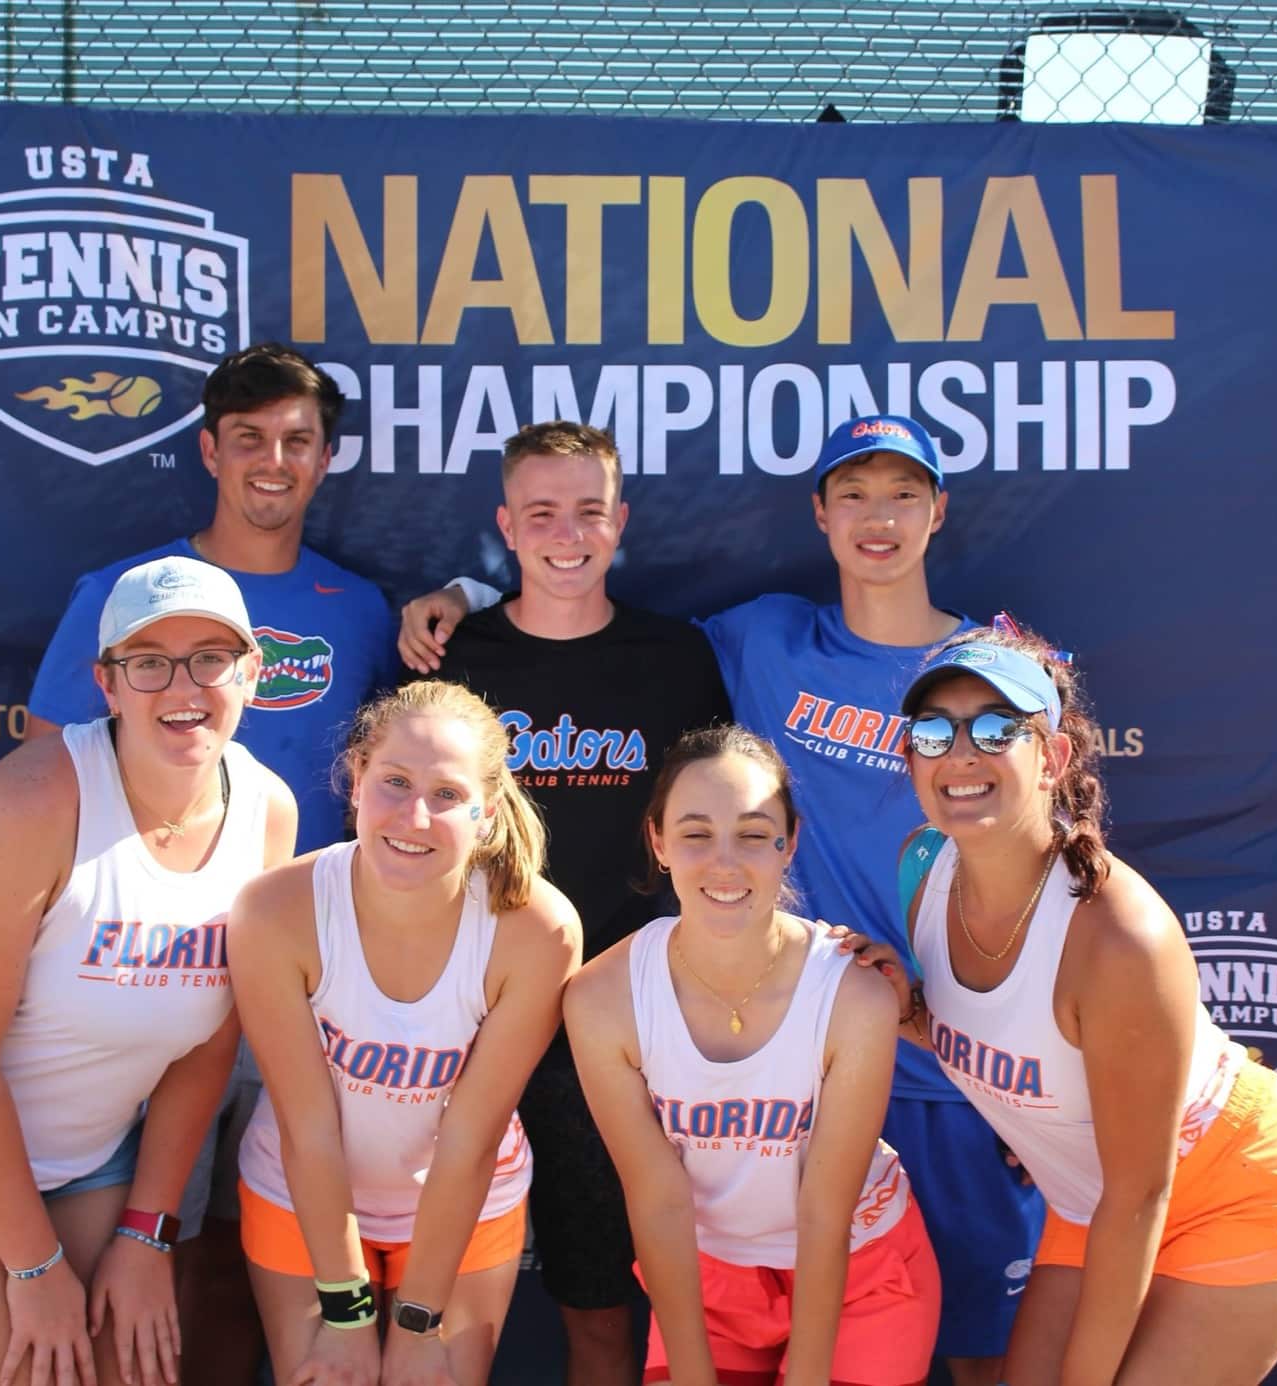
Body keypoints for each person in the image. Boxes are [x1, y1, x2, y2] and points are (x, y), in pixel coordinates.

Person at [401, 414, 1043, 1384]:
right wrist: (468, 592)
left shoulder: (986, 673)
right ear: (818, 513)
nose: (878, 518)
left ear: (939, 509)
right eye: (855, 494)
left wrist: (1037, 1062)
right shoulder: (760, 639)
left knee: (982, 1348)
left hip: (938, 1043)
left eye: (903, 494)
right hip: (754, 1030)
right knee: (578, 1304)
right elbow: (563, 605)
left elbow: (1046, 850)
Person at [845, 622, 1277, 1385]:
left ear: (1051, 758)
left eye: (995, 729)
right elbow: (995, 1036)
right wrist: (907, 1011)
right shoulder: (922, 868)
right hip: (1093, 1203)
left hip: (1235, 1187)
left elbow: (1141, 1193)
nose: (961, 753)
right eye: (933, 732)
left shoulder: (1120, 937)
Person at [0, 555, 297, 1386]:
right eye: (148, 662)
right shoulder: (33, 801)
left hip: (89, 1155)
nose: (182, 686)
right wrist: (36, 1270)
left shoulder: (267, 812)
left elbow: (207, 1049)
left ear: (252, 674)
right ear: (107, 684)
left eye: (211, 658)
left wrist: (147, 1234)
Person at [25, 341, 396, 1382]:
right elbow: (48, 772)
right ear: (208, 450)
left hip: (305, 985)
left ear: (325, 457)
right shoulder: (122, 592)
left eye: (297, 440)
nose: (274, 461)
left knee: (256, 1245)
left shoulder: (359, 607)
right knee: (143, 1247)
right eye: (249, 438)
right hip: (151, 975)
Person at [419, 419, 731, 1385]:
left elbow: (715, 832)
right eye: (542, 513)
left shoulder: (675, 658)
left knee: (601, 1310)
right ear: (506, 525)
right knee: (431, 1299)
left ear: (620, 522)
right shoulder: (453, 658)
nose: (567, 535)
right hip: (468, 1025)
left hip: (617, 1032)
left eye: (589, 512)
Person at [228, 679, 581, 1386]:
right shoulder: (276, 909)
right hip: (300, 1195)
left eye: (447, 794)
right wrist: (347, 1313)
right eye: (395, 781)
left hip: (465, 1205)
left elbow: (470, 1139)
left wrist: (419, 1321)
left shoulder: (537, 929)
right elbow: (308, 1127)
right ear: (357, 777)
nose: (414, 816)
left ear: (486, 810)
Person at [566, 725, 940, 1386]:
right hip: (708, 1280)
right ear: (659, 842)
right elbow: (657, 1199)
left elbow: (825, 1209)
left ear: (789, 842)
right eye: (696, 834)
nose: (725, 863)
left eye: (752, 833)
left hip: (860, 1271)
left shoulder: (853, 993)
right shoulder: (602, 996)